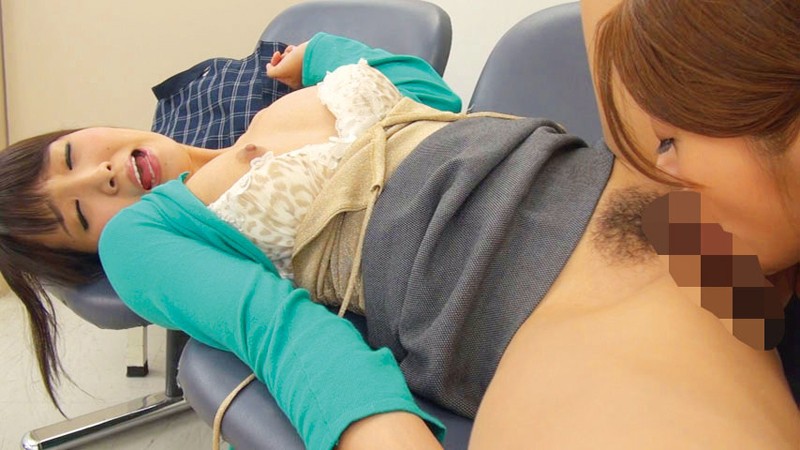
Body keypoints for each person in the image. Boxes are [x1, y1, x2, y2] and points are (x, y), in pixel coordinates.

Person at [2, 0, 799, 448]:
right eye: (80, 214)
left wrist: (322, 58)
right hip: (510, 292)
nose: (98, 177)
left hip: (614, 187)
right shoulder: (145, 238)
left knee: (756, 309)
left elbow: (435, 104)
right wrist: (379, 434)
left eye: (73, 154)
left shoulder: (272, 104)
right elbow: (275, 328)